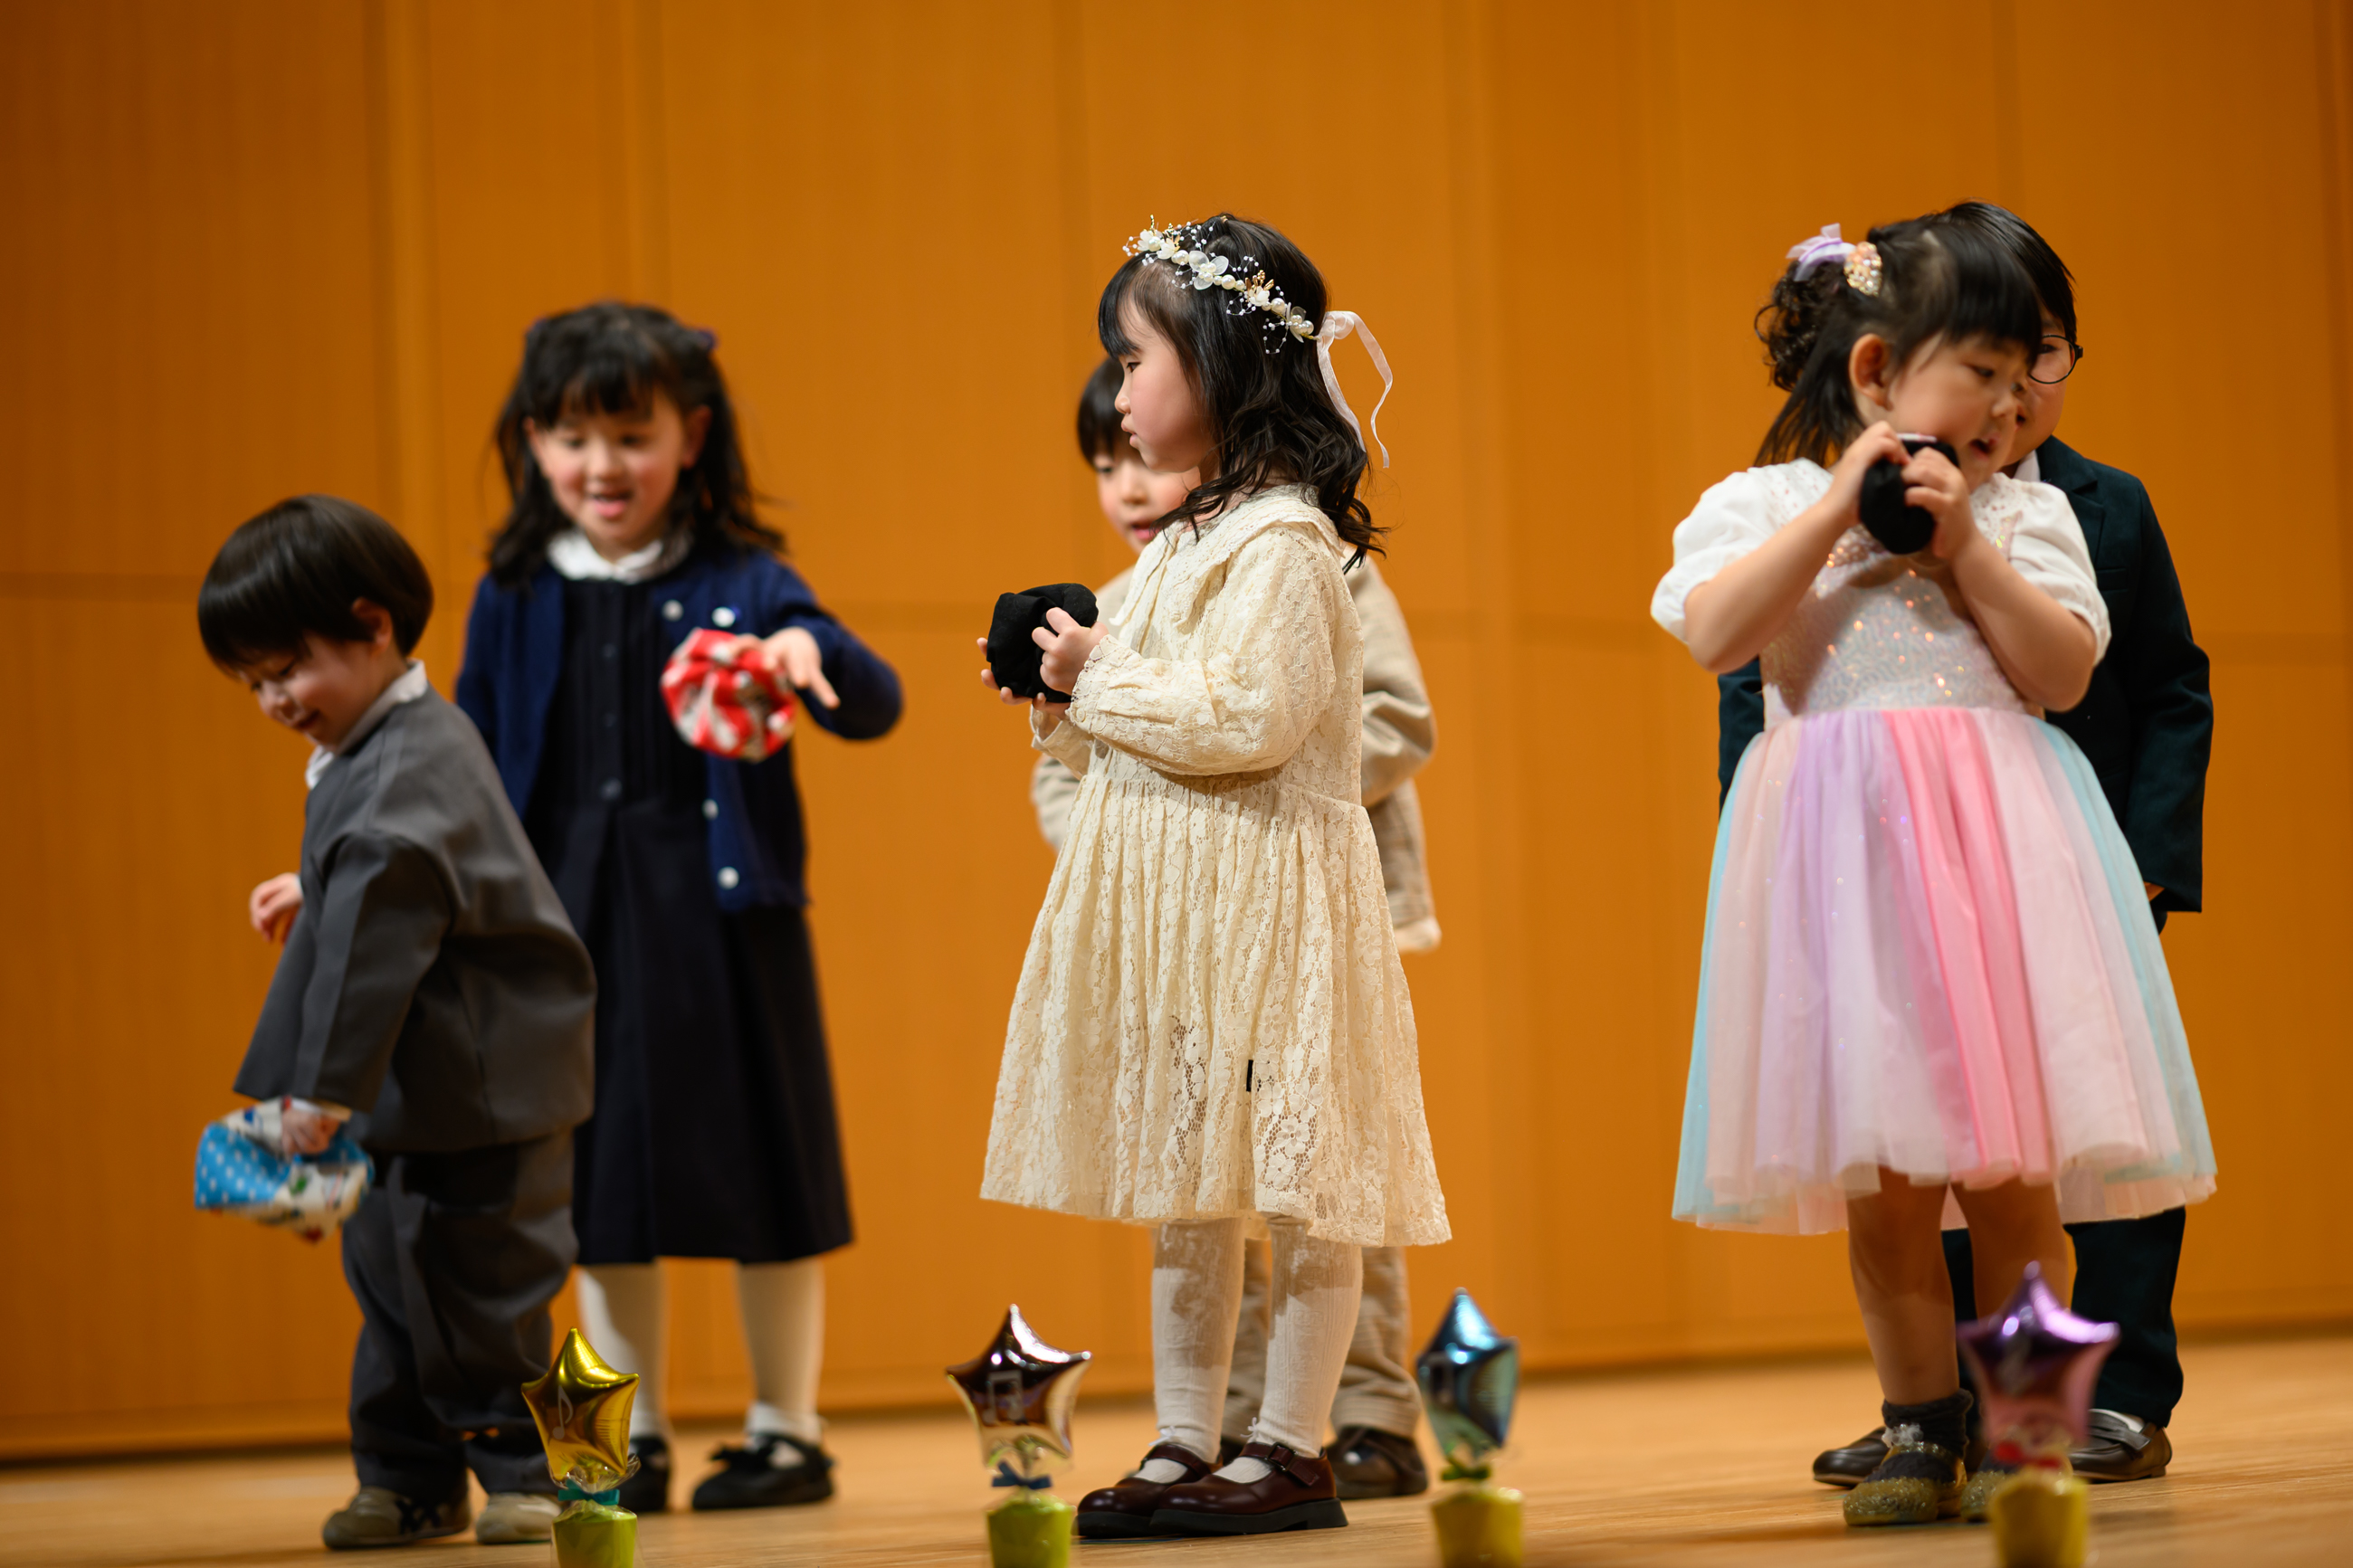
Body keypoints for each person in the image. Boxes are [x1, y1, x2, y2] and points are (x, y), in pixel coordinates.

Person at [1651, 211, 2216, 1527]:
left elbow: (2067, 673)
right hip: (1849, 894)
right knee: (1889, 1193)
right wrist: (1842, 512)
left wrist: (1965, 548)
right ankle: (1917, 1423)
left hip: (2001, 873)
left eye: (2030, 377)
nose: (2014, 402)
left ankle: (2029, 1428)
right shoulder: (1761, 504)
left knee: (2015, 1181)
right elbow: (1717, 632)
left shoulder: (2027, 512)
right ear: (1874, 374)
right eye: (1986, 370)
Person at [980, 214, 1449, 1540]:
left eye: (1134, 361)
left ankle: (1297, 1442)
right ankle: (1191, 1435)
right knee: (1189, 1184)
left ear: (1222, 361)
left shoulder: (1289, 545)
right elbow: (1128, 721)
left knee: (1304, 1179)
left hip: (1276, 910)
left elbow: (1249, 718)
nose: (1119, 394)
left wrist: (1098, 676)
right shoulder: (1178, 546)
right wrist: (1048, 685)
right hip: (1191, 923)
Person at [455, 304, 902, 1514]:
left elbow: (875, 698)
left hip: (726, 922)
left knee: (771, 1168)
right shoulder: (512, 590)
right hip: (567, 928)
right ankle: (624, 1433)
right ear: (533, 443)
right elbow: (470, 762)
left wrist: (811, 653)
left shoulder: (746, 579)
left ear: (692, 436)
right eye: (569, 434)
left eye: (630, 433)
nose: (600, 465)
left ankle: (787, 1430)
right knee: (596, 1185)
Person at [201, 497, 596, 1551]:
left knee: (489, 1295)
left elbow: (380, 934)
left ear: (373, 626)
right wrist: (316, 888)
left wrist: (318, 1097)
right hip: (425, 1087)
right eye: (255, 682)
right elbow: (399, 884)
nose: (275, 698)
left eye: (287, 668)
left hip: (484, 1087)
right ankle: (409, 1475)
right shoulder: (394, 734)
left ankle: (535, 1473)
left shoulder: (395, 777)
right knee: (389, 1287)